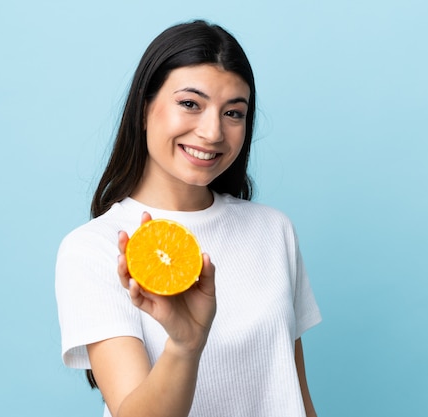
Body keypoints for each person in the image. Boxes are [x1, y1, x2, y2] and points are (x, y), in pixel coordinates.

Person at [55, 20, 322, 417]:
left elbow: (294, 398)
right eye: (190, 104)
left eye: (233, 112)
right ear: (145, 108)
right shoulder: (94, 249)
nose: (213, 132)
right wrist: (185, 344)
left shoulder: (273, 231)